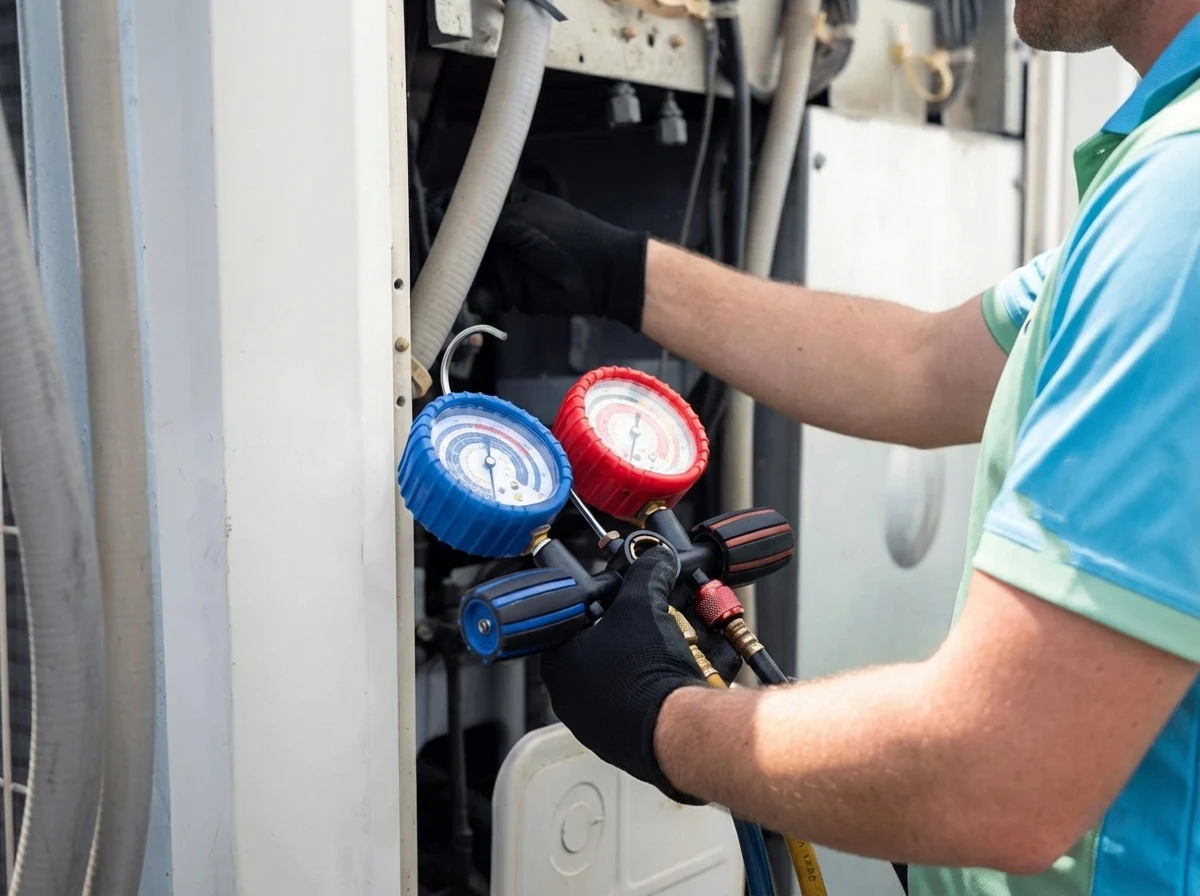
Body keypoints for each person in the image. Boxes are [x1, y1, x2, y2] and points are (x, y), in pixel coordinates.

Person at [481, 3, 1200, 894]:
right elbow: (921, 365)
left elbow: (1001, 772)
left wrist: (664, 717)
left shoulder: (1181, 200)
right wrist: (616, 271)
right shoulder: (1162, 172)